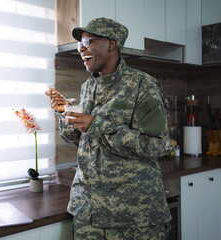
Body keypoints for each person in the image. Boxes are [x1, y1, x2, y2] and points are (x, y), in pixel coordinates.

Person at [46, 17, 171, 239]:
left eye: (88, 42)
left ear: (111, 44)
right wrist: (65, 113)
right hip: (88, 212)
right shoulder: (87, 87)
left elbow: (156, 146)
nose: (81, 49)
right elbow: (84, 140)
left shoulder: (143, 85)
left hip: (133, 216)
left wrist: (97, 126)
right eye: (79, 45)